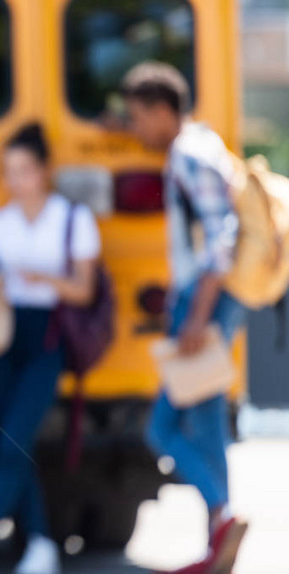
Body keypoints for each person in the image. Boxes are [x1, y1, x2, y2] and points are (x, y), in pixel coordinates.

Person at [121, 61, 248, 574]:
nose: (135, 129)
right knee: (207, 419)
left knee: (162, 427)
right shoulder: (203, 144)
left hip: (203, 299)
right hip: (210, 298)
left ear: (162, 111)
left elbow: (223, 237)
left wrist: (197, 317)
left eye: (137, 117)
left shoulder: (189, 155)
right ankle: (218, 544)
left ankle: (224, 513)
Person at [0, 124, 101, 574]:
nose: (15, 180)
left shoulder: (72, 219)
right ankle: (40, 545)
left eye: (24, 170)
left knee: (13, 440)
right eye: (8, 171)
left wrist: (45, 279)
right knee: (15, 441)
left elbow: (83, 290)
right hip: (1, 339)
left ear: (44, 171)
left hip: (47, 338)